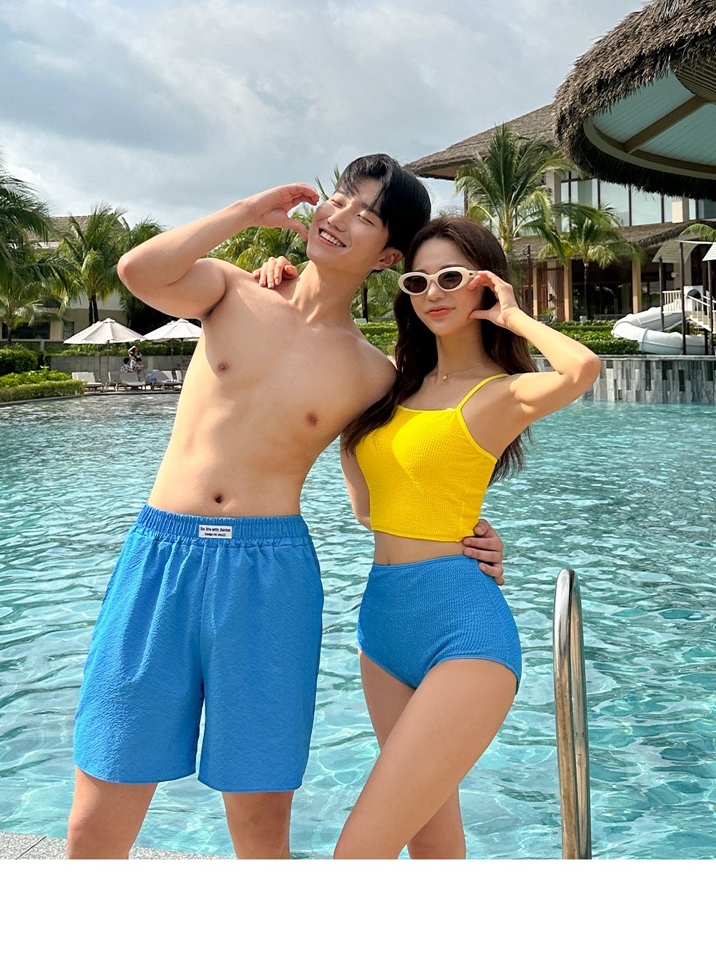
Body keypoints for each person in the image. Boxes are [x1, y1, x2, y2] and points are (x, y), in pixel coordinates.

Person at [65, 155, 508, 860]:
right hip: (162, 556)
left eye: (365, 215)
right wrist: (248, 211)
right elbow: (138, 271)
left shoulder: (372, 374)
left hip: (268, 576)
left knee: (262, 826)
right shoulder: (231, 290)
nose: (339, 216)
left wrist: (467, 540)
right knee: (94, 820)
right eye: (339, 198)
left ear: (387, 257)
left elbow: (385, 494)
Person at [330, 215, 599, 858]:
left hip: (463, 631)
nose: (433, 292)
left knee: (356, 856)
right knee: (432, 847)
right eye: (418, 281)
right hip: (382, 624)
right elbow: (372, 513)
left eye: (452, 277)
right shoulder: (392, 388)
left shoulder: (500, 393)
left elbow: (581, 368)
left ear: (484, 283)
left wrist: (513, 315)